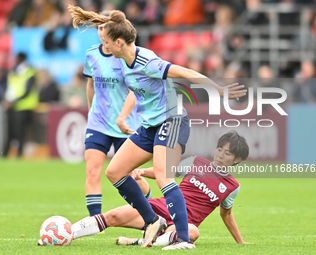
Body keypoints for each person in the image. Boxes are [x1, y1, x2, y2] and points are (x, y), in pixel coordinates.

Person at [68, 6, 246, 250]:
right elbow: (134, 89)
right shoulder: (122, 61)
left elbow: (184, 71)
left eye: (107, 43)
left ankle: (184, 239)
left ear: (119, 42)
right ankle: (153, 221)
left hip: (172, 121)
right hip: (150, 126)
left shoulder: (147, 61)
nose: (105, 48)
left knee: (163, 176)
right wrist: (123, 116)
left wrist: (218, 88)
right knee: (115, 172)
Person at [49, 131, 250, 248]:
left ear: (237, 159)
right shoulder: (196, 162)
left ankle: (141, 241)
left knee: (192, 232)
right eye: (219, 149)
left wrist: (240, 243)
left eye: (228, 153)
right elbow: (165, 171)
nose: (221, 155)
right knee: (113, 216)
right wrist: (142, 172)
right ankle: (66, 234)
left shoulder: (233, 187)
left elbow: (227, 215)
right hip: (159, 208)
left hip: (182, 224)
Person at [73, 12, 146, 218]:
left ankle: (148, 208)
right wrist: (90, 112)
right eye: (98, 28)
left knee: (131, 176)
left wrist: (122, 117)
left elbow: (134, 90)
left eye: (103, 27)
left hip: (126, 125)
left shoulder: (125, 54)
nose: (100, 31)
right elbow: (91, 85)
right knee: (92, 170)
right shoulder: (91, 54)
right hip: (98, 123)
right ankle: (94, 221)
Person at [3, 52, 38, 158]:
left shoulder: (29, 71)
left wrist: (13, 100)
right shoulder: (13, 71)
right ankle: (5, 153)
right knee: (10, 131)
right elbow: (9, 88)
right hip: (12, 106)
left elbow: (27, 91)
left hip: (24, 107)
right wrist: (6, 100)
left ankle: (19, 153)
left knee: (21, 133)